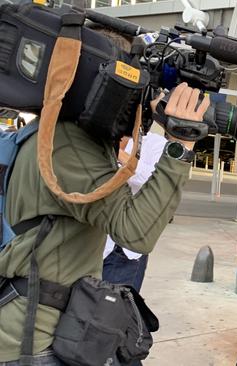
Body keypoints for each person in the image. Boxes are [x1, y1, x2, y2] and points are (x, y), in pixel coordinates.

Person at [0, 69, 208, 366]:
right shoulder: (69, 141)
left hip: (48, 326)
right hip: (36, 343)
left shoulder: (52, 131)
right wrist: (181, 142)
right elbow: (136, 230)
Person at [102, 132, 168, 292]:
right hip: (91, 241)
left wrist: (117, 154)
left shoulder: (155, 143)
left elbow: (154, 181)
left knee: (115, 311)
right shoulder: (94, 135)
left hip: (124, 248)